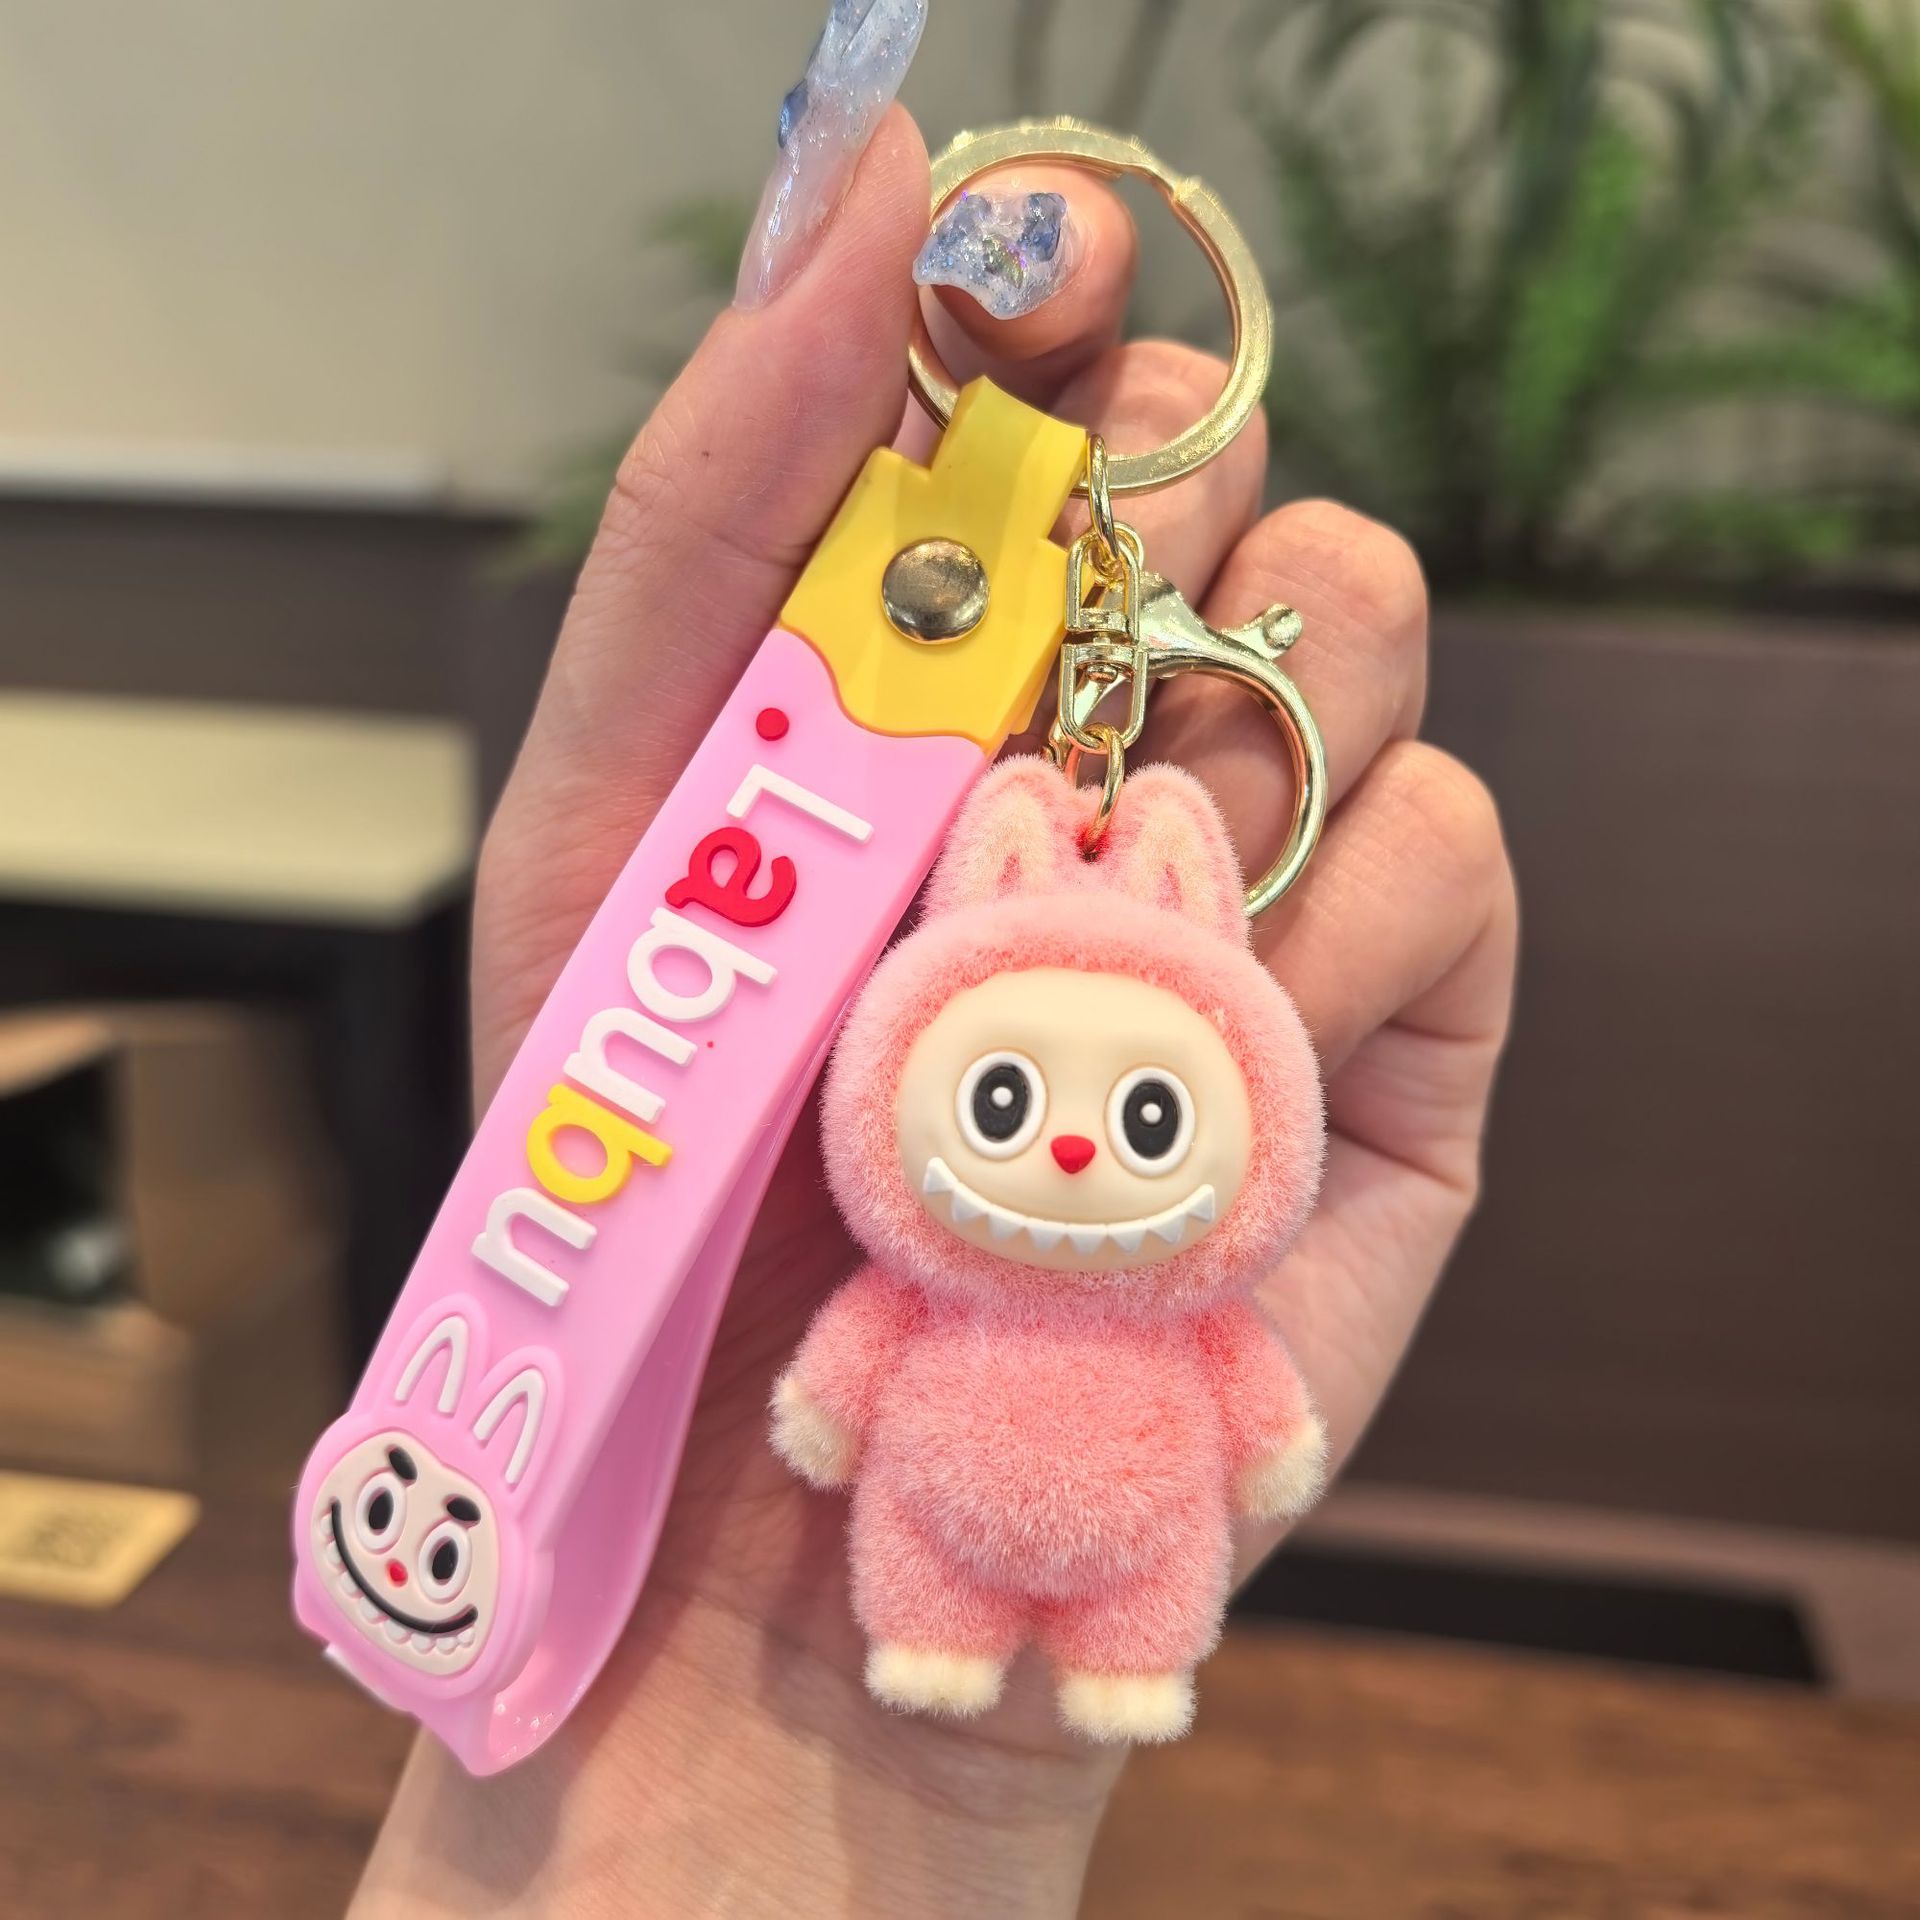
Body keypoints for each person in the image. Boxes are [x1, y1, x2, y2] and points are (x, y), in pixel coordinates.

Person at [351, 102, 1517, 1918]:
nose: (1076, 1151)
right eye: (1005, 1107)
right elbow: (843, 1382)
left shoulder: (1170, 1270)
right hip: (785, 1561)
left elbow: (1246, 1403)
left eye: (1149, 1118)